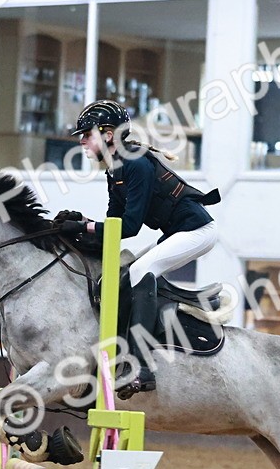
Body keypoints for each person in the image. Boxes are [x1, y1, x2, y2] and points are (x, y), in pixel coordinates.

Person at [58, 100, 220, 398]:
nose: (81, 141)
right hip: (178, 232)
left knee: (141, 270)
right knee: (127, 271)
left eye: (87, 135)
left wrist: (85, 227)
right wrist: (82, 224)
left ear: (108, 135)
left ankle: (142, 367)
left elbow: (129, 227)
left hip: (198, 231)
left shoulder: (134, 164)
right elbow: (114, 223)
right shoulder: (115, 168)